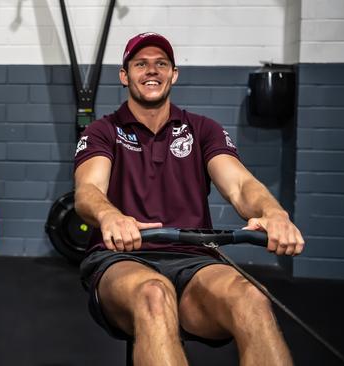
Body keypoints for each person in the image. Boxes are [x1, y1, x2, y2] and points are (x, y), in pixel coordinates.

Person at [74, 32, 304, 366]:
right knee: (154, 295)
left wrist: (273, 213)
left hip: (194, 260)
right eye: (141, 64)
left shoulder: (202, 129)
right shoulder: (103, 131)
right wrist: (110, 216)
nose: (151, 71)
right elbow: (88, 191)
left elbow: (240, 185)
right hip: (123, 258)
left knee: (251, 297)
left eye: (161, 64)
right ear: (125, 76)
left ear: (173, 74)